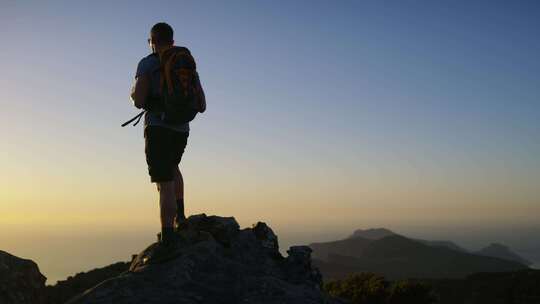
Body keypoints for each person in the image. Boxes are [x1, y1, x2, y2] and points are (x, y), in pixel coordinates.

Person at [130, 22, 193, 252]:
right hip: (182, 128)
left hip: (158, 127)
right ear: (173, 42)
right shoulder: (184, 62)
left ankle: (168, 238)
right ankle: (181, 216)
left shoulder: (148, 63)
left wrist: (136, 96)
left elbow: (138, 99)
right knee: (174, 167)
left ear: (152, 42)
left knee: (163, 182)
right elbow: (201, 103)